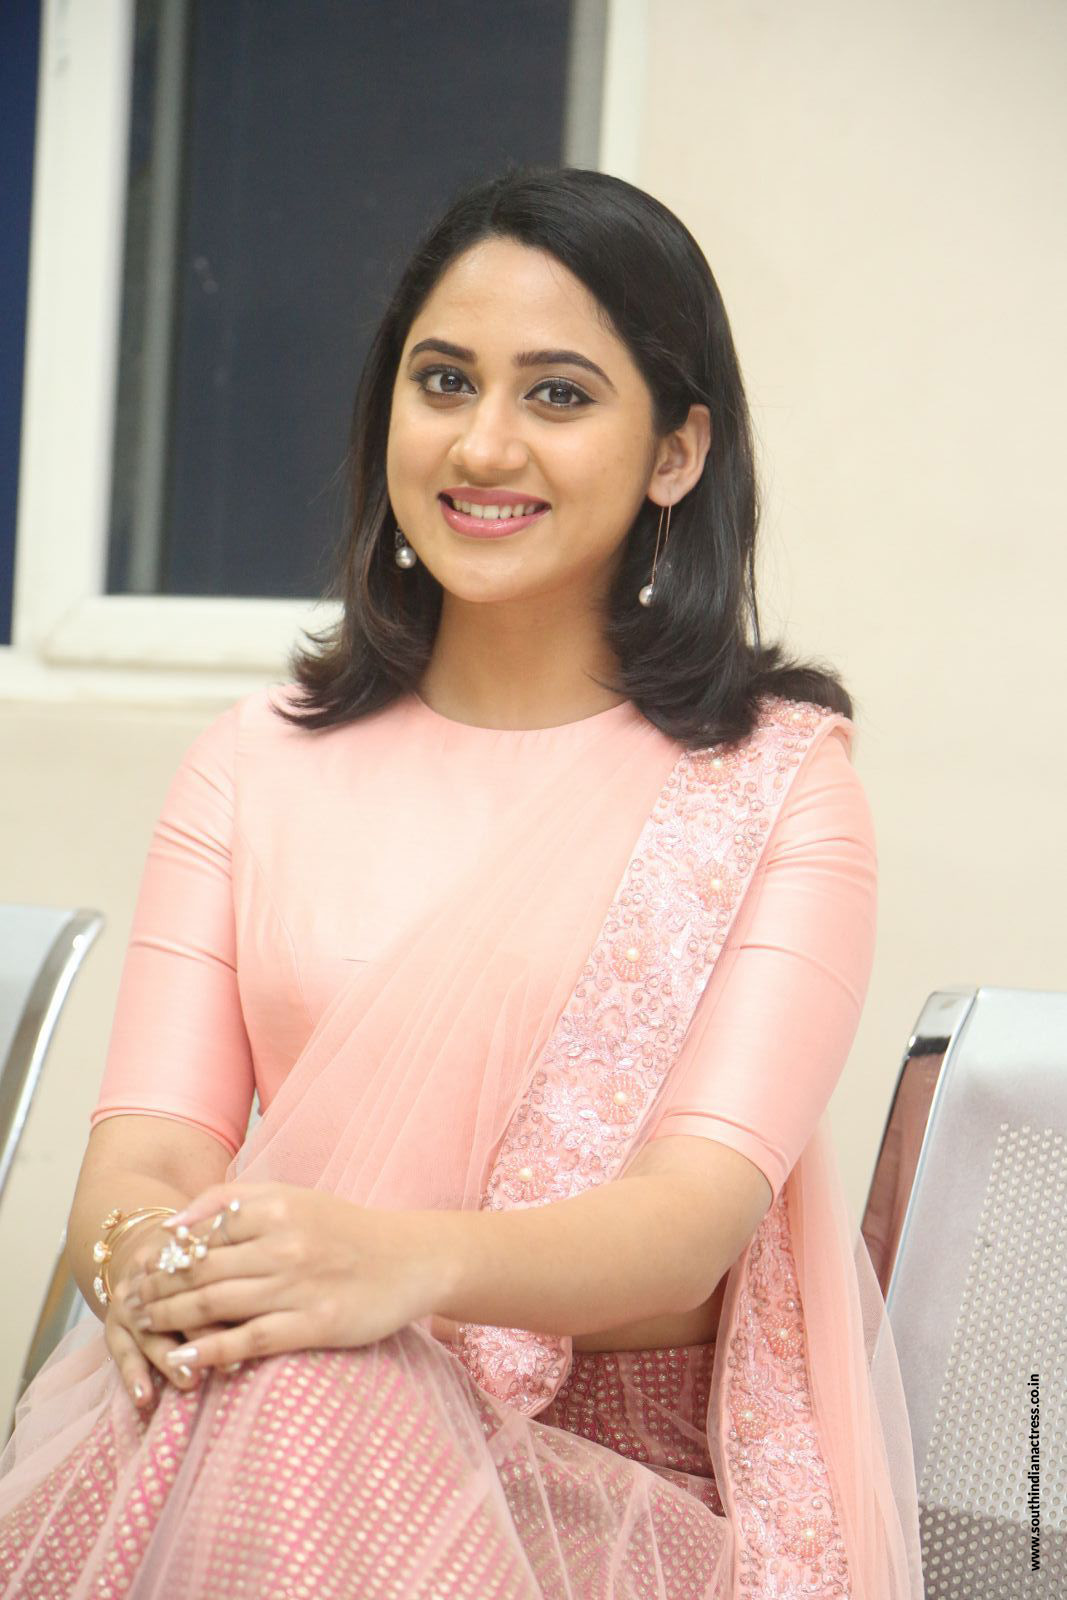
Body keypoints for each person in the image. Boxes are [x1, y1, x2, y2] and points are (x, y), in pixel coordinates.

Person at [0, 165, 924, 1598]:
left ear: (677, 452)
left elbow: (689, 1224)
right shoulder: (253, 762)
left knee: (299, 1389)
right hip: (261, 1410)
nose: (485, 444)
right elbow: (152, 1149)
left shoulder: (770, 786)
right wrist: (145, 1270)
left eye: (558, 395)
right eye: (444, 382)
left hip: (602, 1496)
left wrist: (391, 1275)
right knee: (280, 1392)